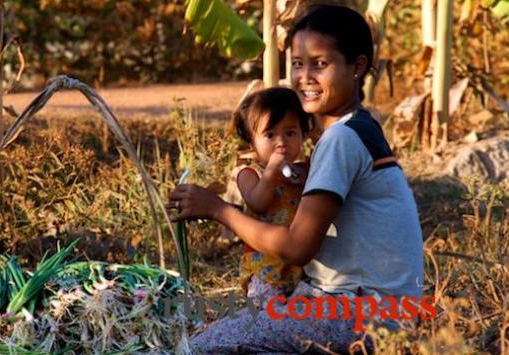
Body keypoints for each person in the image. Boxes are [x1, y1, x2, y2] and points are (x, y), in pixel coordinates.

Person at [169, 4, 424, 353]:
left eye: (320, 63)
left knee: (196, 348)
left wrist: (218, 209)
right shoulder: (360, 128)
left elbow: (296, 248)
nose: (305, 76)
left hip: (360, 312)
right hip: (385, 310)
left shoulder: (340, 139)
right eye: (298, 64)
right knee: (232, 329)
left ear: (357, 67)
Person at [228, 87, 310, 303]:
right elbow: (259, 203)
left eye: (290, 133)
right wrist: (272, 172)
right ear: (252, 141)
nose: (281, 142)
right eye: (270, 135)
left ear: (303, 134)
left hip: (299, 268)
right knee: (266, 314)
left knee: (297, 317)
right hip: (265, 268)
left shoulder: (304, 170)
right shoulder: (249, 173)